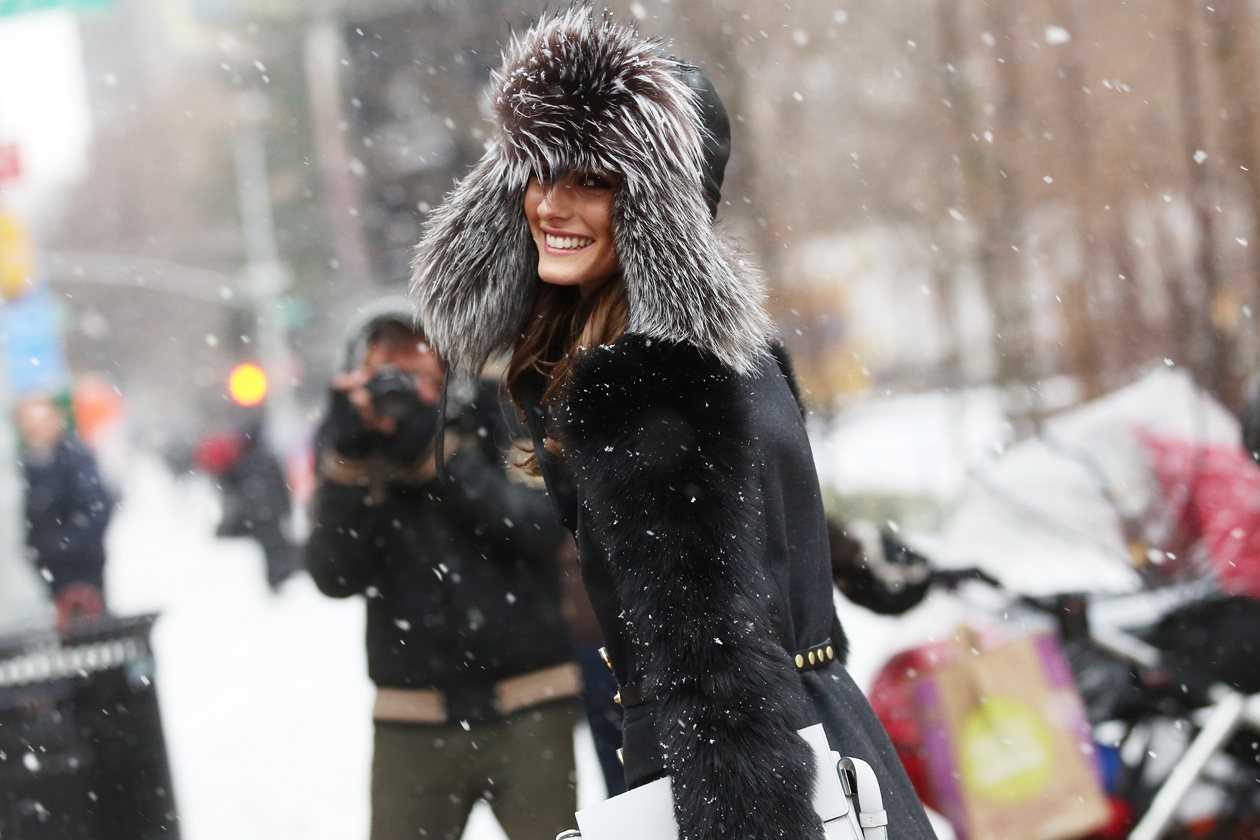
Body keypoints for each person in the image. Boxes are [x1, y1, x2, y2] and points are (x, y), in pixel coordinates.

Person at [410, 9, 935, 839]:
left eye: (591, 180)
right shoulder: (725, 354)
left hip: (742, 773)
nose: (549, 204)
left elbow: (719, 672)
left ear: (658, 209)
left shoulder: (644, 382)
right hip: (817, 741)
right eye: (537, 174)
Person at [304, 299, 579, 840]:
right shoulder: (359, 442)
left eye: (414, 350)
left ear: (446, 356)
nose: (401, 368)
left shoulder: (498, 410)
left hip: (528, 702)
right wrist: (349, 465)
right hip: (411, 717)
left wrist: (440, 457)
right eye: (385, 357)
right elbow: (334, 574)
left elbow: (540, 525)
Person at [17, 394, 114, 630]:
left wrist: (64, 545)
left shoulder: (74, 457)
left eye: (41, 421)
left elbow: (95, 507)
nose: (36, 429)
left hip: (82, 567)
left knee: (91, 631)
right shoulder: (24, 465)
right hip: (44, 571)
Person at [195, 420, 299, 591]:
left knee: (271, 550)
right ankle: (279, 579)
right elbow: (280, 488)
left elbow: (240, 496)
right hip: (268, 517)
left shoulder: (247, 463)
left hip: (260, 518)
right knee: (275, 547)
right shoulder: (261, 459)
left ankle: (277, 580)